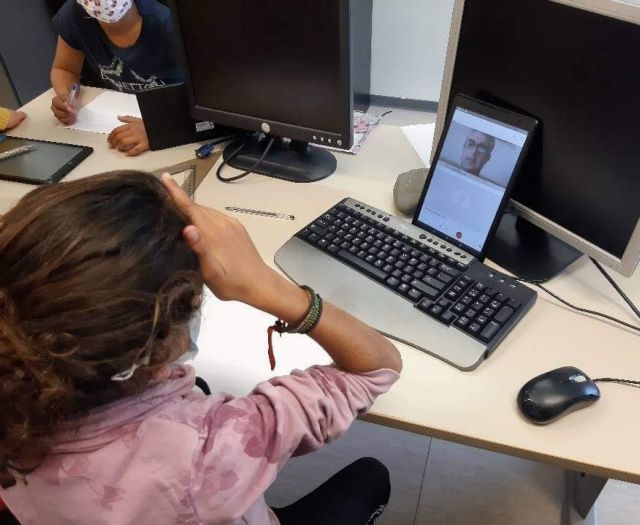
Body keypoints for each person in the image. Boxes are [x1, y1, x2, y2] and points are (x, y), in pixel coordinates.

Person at [0, 171, 402, 524]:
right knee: (371, 476)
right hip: (191, 491)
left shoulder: (13, 393)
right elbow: (375, 367)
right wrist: (265, 284)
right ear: (155, 348)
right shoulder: (206, 450)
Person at [50, 0, 183, 157]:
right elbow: (65, 69)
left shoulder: (169, 24)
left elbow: (206, 101)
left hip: (176, 121)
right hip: (117, 120)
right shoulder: (74, 15)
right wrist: (66, 97)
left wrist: (158, 129)